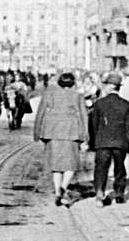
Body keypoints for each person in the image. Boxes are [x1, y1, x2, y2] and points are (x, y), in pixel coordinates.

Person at [33, 72, 89, 206]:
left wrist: (37, 132)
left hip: (52, 132)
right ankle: (63, 188)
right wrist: (86, 135)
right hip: (71, 132)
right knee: (71, 164)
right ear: (73, 83)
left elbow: (40, 113)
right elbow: (83, 115)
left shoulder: (49, 94)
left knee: (56, 165)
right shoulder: (77, 96)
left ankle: (58, 191)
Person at [89, 72, 129, 207]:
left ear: (109, 87)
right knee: (119, 168)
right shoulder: (126, 105)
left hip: (102, 141)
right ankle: (119, 193)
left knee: (101, 168)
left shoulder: (99, 104)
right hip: (119, 142)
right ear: (118, 87)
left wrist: (93, 141)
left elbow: (94, 125)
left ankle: (99, 193)